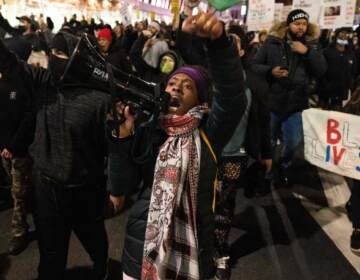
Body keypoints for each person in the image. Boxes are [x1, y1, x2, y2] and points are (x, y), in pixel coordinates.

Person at [108, 10, 247, 280]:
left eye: (188, 86)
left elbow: (232, 96)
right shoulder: (150, 128)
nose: (177, 88)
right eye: (172, 83)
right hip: (142, 250)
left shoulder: (208, 133)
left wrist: (219, 44)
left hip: (193, 250)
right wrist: (121, 139)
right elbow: (123, 185)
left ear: (200, 102)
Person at [0, 30, 110, 280]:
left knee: (95, 241)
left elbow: (112, 149)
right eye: (52, 52)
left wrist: (115, 189)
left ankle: (102, 269)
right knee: (50, 254)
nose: (53, 57)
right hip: (46, 188)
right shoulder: (43, 84)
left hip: (84, 188)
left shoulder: (100, 100)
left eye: (61, 53)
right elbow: (8, 62)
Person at [251, 9, 327, 187]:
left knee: (293, 142)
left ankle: (283, 165)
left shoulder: (313, 45)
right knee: (267, 141)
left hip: (296, 105)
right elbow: (254, 65)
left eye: (304, 24)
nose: (300, 27)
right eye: (297, 23)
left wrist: (307, 52)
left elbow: (321, 70)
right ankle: (265, 171)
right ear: (289, 24)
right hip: (272, 102)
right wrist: (270, 72)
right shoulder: (272, 42)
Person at [0, 36, 34, 256]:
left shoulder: (24, 81)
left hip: (18, 149)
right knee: (16, 187)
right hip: (4, 147)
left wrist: (12, 145)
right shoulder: (4, 80)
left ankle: (19, 231)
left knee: (18, 192)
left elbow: (27, 118)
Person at [319, 28, 356, 110]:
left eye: (346, 35)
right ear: (336, 36)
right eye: (341, 34)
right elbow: (320, 69)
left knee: (336, 115)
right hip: (325, 89)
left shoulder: (350, 54)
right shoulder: (326, 52)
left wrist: (349, 85)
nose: (344, 37)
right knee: (321, 113)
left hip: (341, 90)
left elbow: (353, 71)